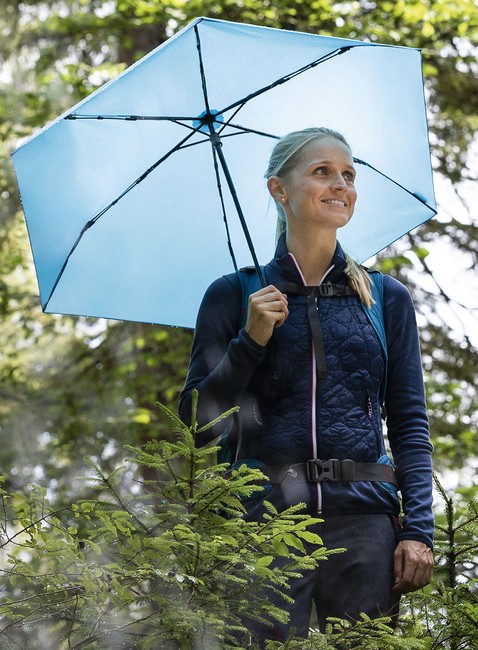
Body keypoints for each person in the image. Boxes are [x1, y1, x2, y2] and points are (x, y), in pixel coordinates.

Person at [178, 127, 434, 644]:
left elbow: (409, 422)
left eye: (348, 174)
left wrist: (417, 531)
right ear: (279, 189)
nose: (340, 184)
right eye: (322, 172)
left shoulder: (385, 299)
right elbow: (196, 425)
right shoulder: (235, 294)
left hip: (365, 525)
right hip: (262, 525)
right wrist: (250, 340)